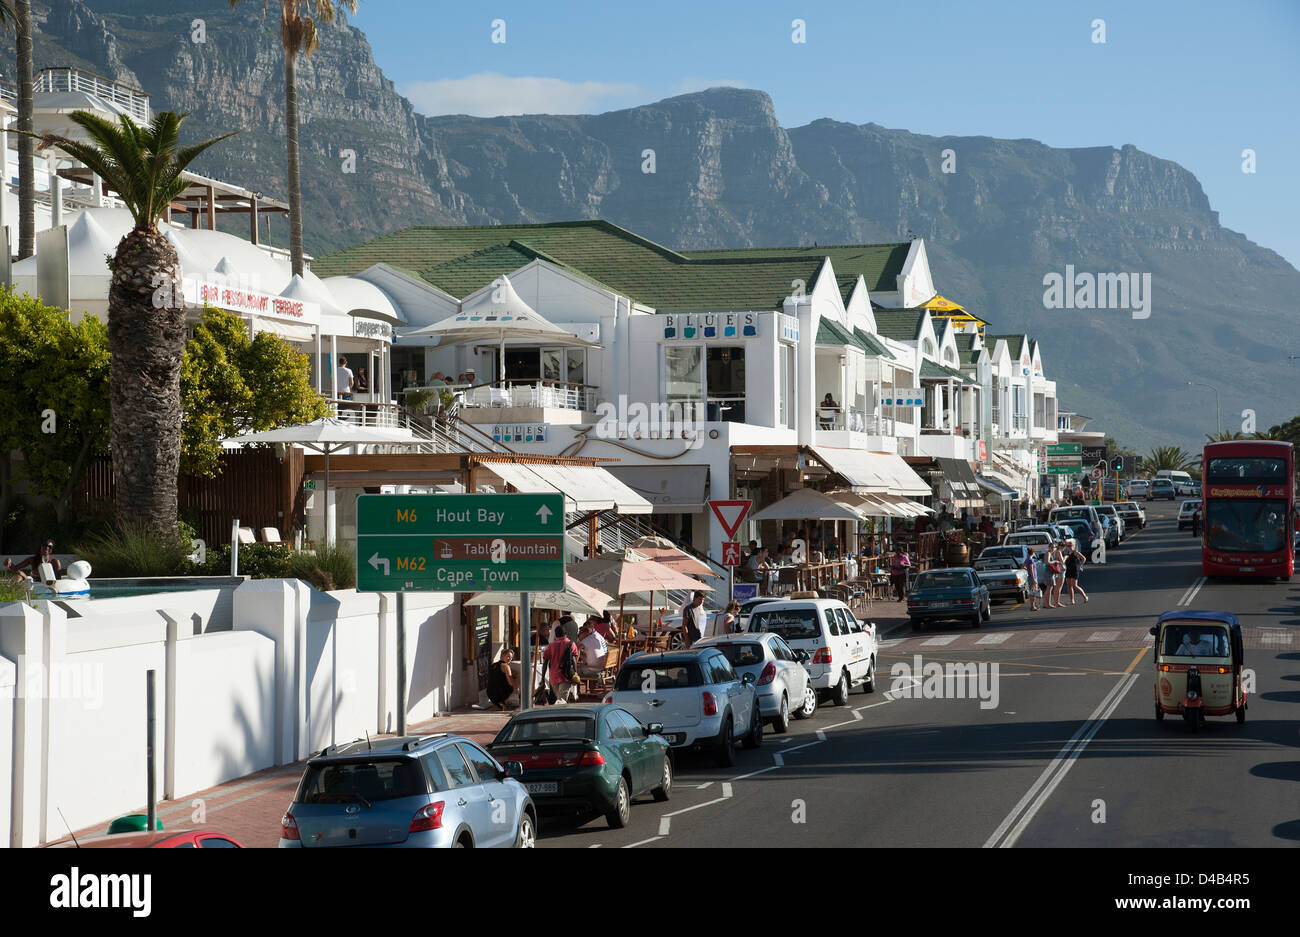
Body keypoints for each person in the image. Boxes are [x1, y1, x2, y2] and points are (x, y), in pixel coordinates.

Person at [542, 623, 578, 704]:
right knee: (561, 702)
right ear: (565, 633)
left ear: (555, 634)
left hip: (553, 677)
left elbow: (545, 662)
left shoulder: (551, 646)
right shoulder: (571, 644)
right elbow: (574, 660)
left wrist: (543, 677)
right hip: (566, 676)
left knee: (560, 700)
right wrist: (575, 673)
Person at [1063, 540, 1088, 605]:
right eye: (1068, 546)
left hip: (1074, 570)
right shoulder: (1067, 553)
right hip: (1068, 570)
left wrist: (1080, 565)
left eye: (1070, 545)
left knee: (1074, 585)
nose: (1069, 547)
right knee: (1069, 586)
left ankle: (1085, 596)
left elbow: (1084, 558)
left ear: (1073, 546)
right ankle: (1072, 600)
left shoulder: (1075, 552)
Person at [1044, 543, 1066, 608]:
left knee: (1049, 588)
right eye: (1052, 547)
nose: (1053, 549)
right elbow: (1047, 562)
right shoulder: (1048, 553)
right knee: (1049, 589)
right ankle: (1047, 604)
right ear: (1049, 547)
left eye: (1054, 547)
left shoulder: (1050, 553)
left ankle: (1046, 603)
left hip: (1050, 572)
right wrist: (1054, 561)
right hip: (1048, 572)